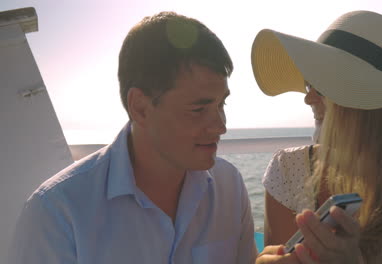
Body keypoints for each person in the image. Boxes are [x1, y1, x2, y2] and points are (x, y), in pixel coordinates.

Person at [9, 11, 260, 264]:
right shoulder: (57, 215)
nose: (220, 126)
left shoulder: (229, 186)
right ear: (140, 107)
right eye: (198, 109)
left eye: (221, 105)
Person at [251, 10, 382, 263]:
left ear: (370, 105)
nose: (308, 97)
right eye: (310, 84)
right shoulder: (287, 169)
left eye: (320, 87)